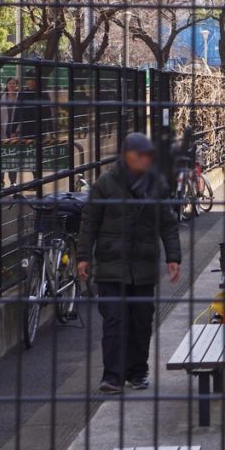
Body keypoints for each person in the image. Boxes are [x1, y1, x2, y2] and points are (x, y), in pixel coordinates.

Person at [76, 132, 181, 395]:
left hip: (143, 267)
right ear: (127, 155)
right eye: (141, 154)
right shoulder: (105, 184)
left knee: (141, 322)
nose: (146, 160)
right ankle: (112, 375)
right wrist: (83, 256)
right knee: (114, 322)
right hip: (112, 265)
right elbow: (89, 222)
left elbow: (167, 224)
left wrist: (173, 258)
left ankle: (138, 372)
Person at [0, 77, 19, 189]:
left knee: (12, 158)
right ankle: (0, 181)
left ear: (17, 86)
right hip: (2, 133)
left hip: (15, 132)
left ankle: (13, 181)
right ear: (6, 85)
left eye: (14, 84)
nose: (11, 85)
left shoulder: (20, 99)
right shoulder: (1, 99)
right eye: (9, 84)